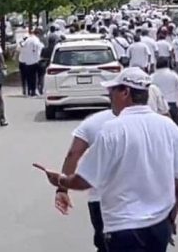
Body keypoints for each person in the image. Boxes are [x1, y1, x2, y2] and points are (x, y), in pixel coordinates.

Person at [34, 67, 178, 252]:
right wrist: (169, 208)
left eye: (112, 91)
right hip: (158, 226)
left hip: (124, 227)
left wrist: (60, 180)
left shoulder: (112, 129)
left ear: (125, 92)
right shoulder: (167, 126)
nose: (109, 96)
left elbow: (84, 180)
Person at [54, 108, 116, 252]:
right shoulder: (160, 124)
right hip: (148, 203)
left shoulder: (95, 122)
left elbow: (73, 154)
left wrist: (62, 187)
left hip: (102, 201)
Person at [151, 57, 178, 125]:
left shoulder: (152, 76)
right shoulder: (173, 74)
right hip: (172, 104)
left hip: (159, 106)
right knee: (175, 126)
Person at [19, 29, 44, 97]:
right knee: (37, 76)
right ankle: (36, 90)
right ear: (38, 34)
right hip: (36, 60)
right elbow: (38, 50)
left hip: (28, 61)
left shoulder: (28, 40)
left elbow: (22, 46)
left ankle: (31, 90)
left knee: (30, 77)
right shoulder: (36, 40)